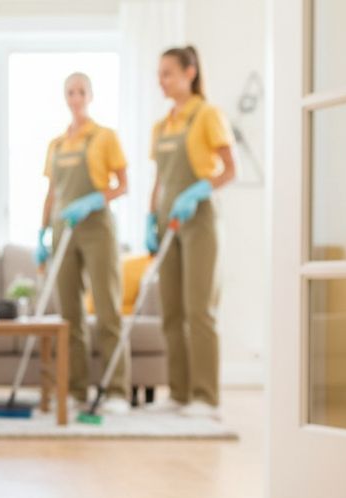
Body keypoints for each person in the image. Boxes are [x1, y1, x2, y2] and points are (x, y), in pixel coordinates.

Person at [145, 45, 236, 420]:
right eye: (159, 73)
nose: (161, 80)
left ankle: (206, 396)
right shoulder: (162, 124)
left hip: (199, 220)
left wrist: (200, 190)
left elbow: (230, 170)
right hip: (169, 223)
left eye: (168, 72)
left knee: (199, 310)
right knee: (172, 311)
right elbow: (160, 179)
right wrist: (150, 218)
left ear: (190, 72)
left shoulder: (207, 115)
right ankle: (179, 393)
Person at [36, 72, 130, 415]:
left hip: (96, 229)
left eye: (80, 91)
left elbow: (123, 185)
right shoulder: (56, 144)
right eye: (69, 92)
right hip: (64, 232)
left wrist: (93, 201)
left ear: (90, 95)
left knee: (107, 310)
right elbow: (52, 193)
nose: (75, 97)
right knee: (70, 316)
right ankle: (76, 389)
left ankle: (117, 390)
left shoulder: (104, 137)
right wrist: (42, 232)